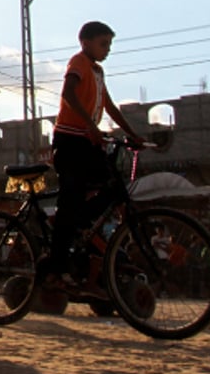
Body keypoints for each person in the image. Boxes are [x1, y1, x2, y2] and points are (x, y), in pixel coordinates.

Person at [43, 21, 142, 297]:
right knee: (70, 199)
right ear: (85, 42)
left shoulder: (98, 71)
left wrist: (134, 135)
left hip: (88, 140)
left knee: (113, 186)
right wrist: (89, 125)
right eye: (103, 44)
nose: (107, 50)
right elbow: (68, 94)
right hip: (70, 139)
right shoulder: (79, 62)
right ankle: (56, 267)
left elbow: (109, 106)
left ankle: (79, 223)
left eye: (109, 45)